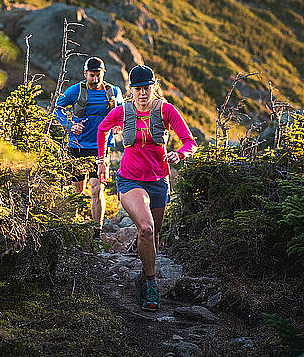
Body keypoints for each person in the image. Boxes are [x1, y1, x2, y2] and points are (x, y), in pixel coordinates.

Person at [96, 65, 197, 311]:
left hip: (159, 181)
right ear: (131, 90)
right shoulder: (123, 111)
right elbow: (102, 129)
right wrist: (102, 160)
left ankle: (143, 275)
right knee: (146, 227)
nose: (142, 93)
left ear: (154, 87)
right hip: (130, 179)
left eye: (147, 88)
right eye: (138, 89)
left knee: (155, 235)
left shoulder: (166, 111)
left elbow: (190, 142)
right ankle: (152, 284)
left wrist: (180, 155)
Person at [54, 57, 124, 238]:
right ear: (85, 74)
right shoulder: (75, 90)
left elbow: (124, 112)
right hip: (76, 145)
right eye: (91, 75)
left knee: (96, 187)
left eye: (98, 75)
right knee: (77, 188)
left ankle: (96, 232)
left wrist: (119, 124)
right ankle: (73, 226)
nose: (94, 79)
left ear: (103, 73)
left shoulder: (114, 92)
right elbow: (57, 108)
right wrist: (69, 125)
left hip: (100, 147)